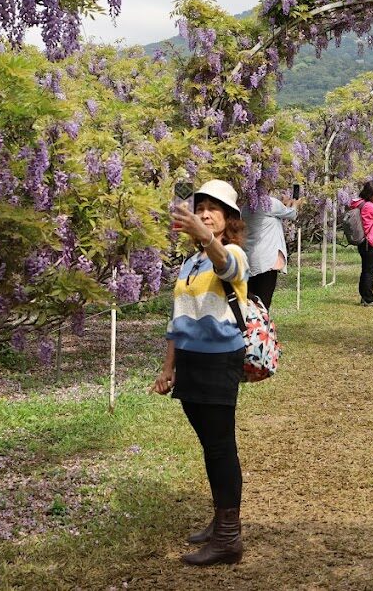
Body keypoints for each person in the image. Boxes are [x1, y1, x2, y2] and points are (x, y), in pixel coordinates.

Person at [153, 179, 250, 566]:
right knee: (211, 447)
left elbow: (225, 267)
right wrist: (167, 369)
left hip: (218, 360)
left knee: (221, 446)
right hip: (191, 360)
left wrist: (207, 238)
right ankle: (219, 521)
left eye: (214, 209)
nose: (205, 213)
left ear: (229, 220)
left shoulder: (234, 254)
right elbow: (178, 320)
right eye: (200, 207)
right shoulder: (190, 263)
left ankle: (229, 537)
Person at [241, 193, 299, 311]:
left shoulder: (245, 207)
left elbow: (275, 213)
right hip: (267, 261)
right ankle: (260, 327)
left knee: (250, 300)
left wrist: (284, 205)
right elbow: (292, 214)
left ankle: (251, 326)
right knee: (263, 302)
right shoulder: (270, 203)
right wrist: (295, 204)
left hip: (250, 259)